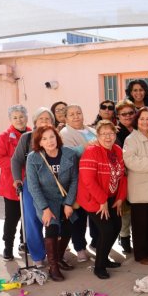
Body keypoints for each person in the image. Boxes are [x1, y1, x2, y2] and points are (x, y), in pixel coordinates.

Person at [26, 126, 79, 281]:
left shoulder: (69, 154)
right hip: (45, 199)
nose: (49, 141)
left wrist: (69, 203)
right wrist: (45, 209)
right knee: (52, 228)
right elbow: (34, 186)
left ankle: (59, 257)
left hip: (64, 197)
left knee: (69, 225)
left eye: (52, 137)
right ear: (39, 142)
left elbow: (75, 180)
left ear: (57, 138)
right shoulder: (33, 158)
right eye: (44, 139)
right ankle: (53, 266)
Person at [77, 121, 127, 279]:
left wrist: (120, 198)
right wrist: (102, 200)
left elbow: (123, 176)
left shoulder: (117, 150)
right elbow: (88, 180)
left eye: (111, 133)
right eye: (104, 134)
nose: (108, 137)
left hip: (112, 197)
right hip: (93, 199)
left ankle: (104, 259)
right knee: (106, 230)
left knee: (117, 226)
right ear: (97, 136)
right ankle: (99, 266)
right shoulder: (91, 151)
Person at [11, 107, 56, 267]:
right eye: (41, 119)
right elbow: (16, 160)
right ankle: (37, 256)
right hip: (31, 184)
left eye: (48, 119)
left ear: (52, 122)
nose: (44, 122)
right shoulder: (27, 138)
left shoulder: (56, 136)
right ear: (35, 122)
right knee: (32, 220)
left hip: (53, 185)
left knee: (53, 219)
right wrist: (17, 179)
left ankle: (53, 254)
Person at [123, 107, 148, 265]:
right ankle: (140, 254)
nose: (145, 121)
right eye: (142, 119)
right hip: (139, 188)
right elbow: (129, 161)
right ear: (136, 121)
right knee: (140, 223)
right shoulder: (131, 139)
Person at [60, 104, 98, 262]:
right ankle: (79, 247)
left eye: (79, 113)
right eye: (72, 114)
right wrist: (86, 147)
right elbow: (67, 154)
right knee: (79, 217)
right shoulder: (65, 133)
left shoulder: (91, 130)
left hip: (94, 178)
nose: (76, 116)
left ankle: (96, 243)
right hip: (78, 180)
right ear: (66, 118)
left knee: (95, 214)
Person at [0, 105, 30, 261]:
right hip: (11, 184)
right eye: (15, 117)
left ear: (26, 117)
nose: (19, 120)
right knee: (12, 218)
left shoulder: (32, 134)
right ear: (10, 120)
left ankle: (25, 242)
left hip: (31, 182)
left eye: (21, 116)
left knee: (28, 217)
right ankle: (8, 246)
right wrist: (17, 162)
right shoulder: (4, 136)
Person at [114, 99, 137, 253]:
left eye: (130, 113)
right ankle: (124, 238)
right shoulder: (115, 132)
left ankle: (135, 238)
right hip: (123, 175)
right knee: (125, 210)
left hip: (139, 176)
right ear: (118, 116)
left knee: (136, 210)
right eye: (124, 114)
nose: (128, 116)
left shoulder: (139, 129)